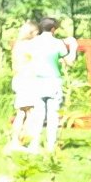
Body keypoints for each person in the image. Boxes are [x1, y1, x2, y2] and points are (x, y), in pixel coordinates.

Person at [30, 15, 73, 153]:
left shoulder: (34, 42)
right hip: (53, 80)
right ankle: (50, 145)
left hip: (37, 80)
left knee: (38, 114)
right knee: (53, 115)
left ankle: (35, 144)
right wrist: (73, 46)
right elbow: (69, 60)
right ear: (53, 29)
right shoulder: (57, 43)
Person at [7, 19, 41, 153]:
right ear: (32, 33)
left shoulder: (18, 45)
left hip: (19, 79)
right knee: (32, 113)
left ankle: (15, 141)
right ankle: (31, 143)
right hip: (28, 80)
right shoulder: (29, 46)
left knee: (21, 112)